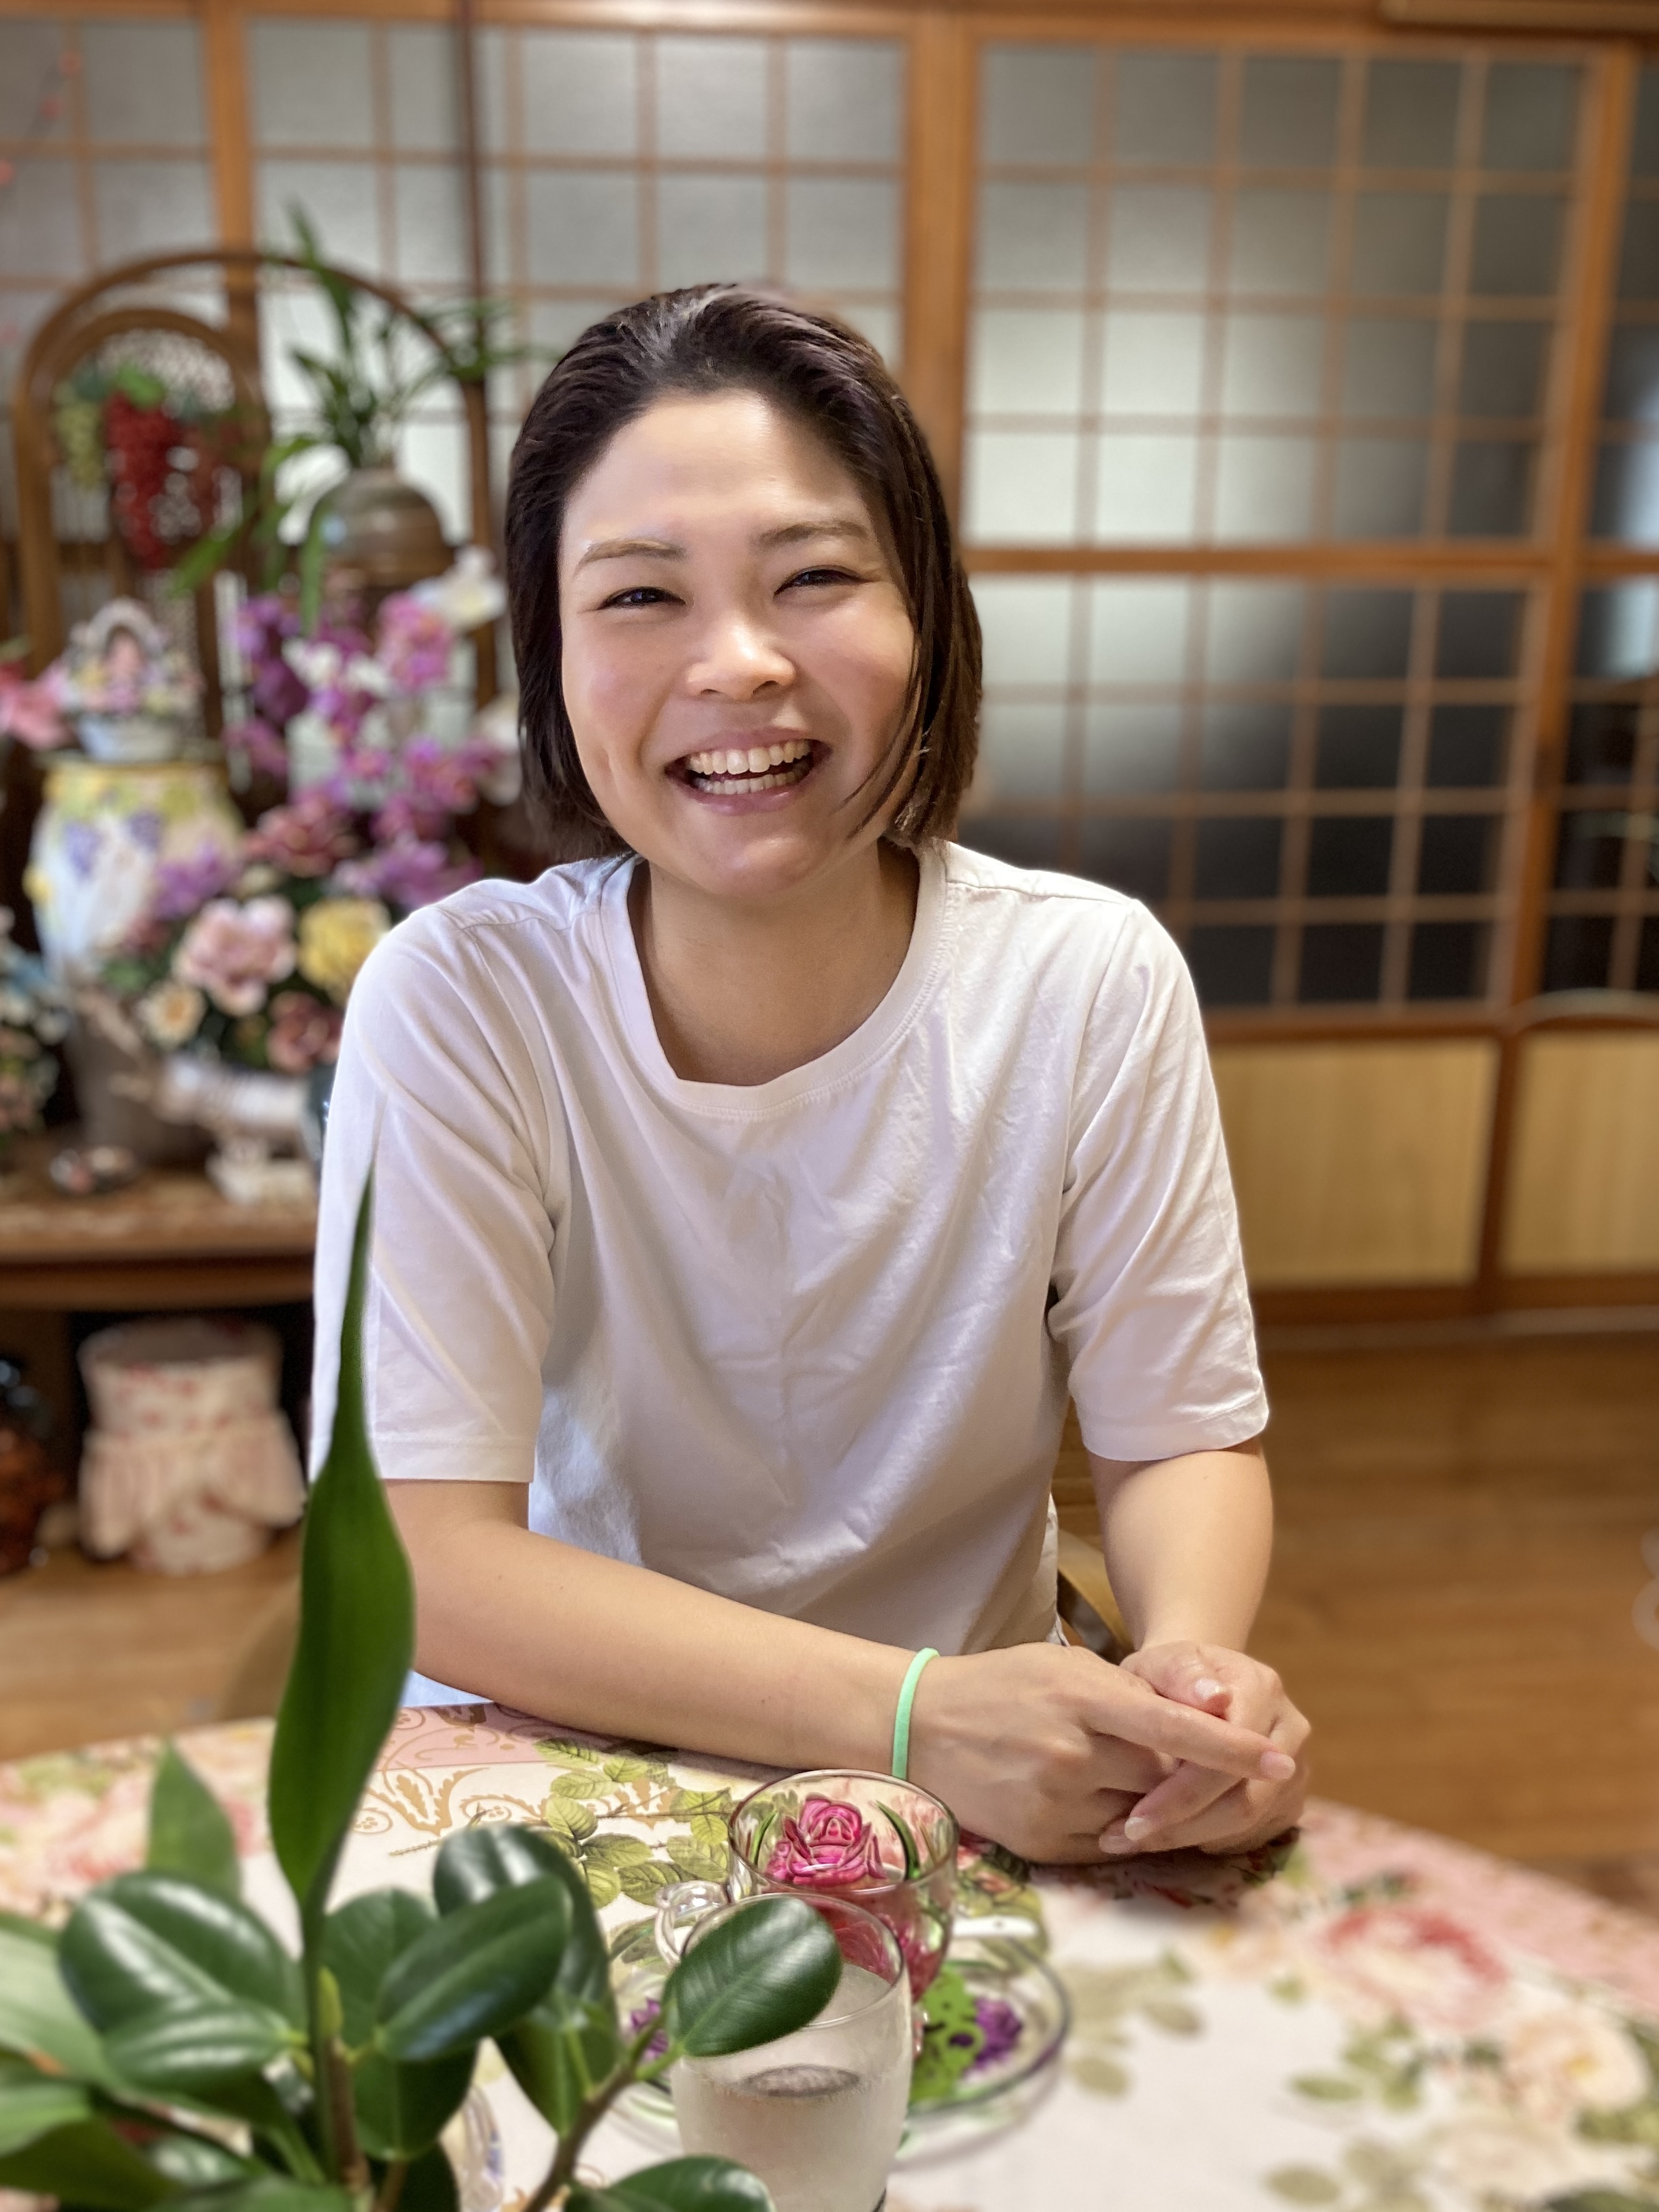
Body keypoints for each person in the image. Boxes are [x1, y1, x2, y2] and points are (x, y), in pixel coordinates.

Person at [311, 285, 1309, 1865]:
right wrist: (908, 1712)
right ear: (551, 656)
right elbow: (421, 1558)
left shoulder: (1085, 977)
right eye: (640, 595)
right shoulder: (463, 1001)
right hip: (559, 1762)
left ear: (926, 618)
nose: (738, 662)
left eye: (815, 577)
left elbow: (1176, 1427)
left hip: (985, 1784)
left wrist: (1185, 1667)